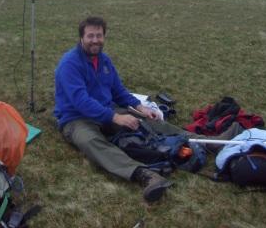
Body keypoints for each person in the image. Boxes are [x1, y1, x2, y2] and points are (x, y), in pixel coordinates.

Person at [54, 16, 242, 202]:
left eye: (99, 35)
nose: (95, 40)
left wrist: (140, 107)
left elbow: (118, 91)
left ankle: (208, 142)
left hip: (107, 110)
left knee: (150, 121)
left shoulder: (104, 60)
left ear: (104, 36)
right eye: (90, 36)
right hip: (76, 118)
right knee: (91, 142)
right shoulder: (69, 64)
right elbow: (81, 101)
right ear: (81, 38)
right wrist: (115, 117)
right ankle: (145, 175)